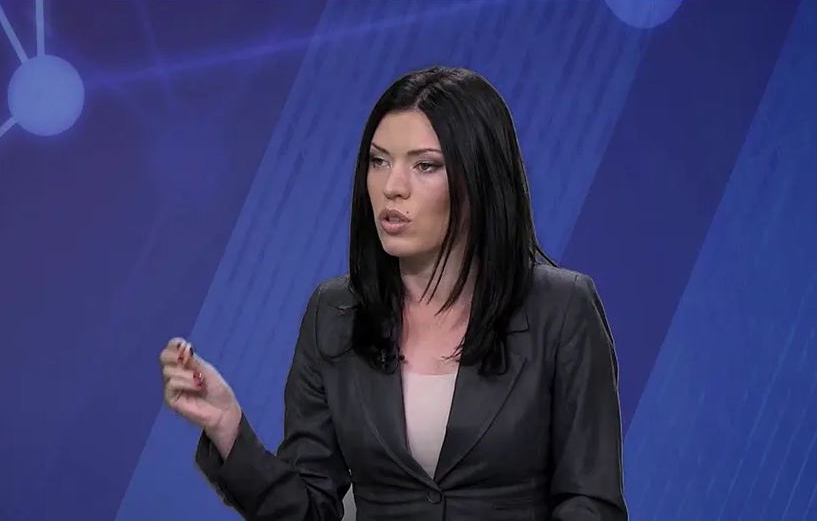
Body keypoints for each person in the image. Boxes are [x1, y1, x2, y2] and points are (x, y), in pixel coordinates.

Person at [159, 66, 628, 520]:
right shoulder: (334, 313)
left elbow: (592, 503)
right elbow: (309, 510)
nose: (392, 187)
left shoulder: (562, 309)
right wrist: (228, 428)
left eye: (425, 166)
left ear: (481, 179)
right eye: (378, 161)